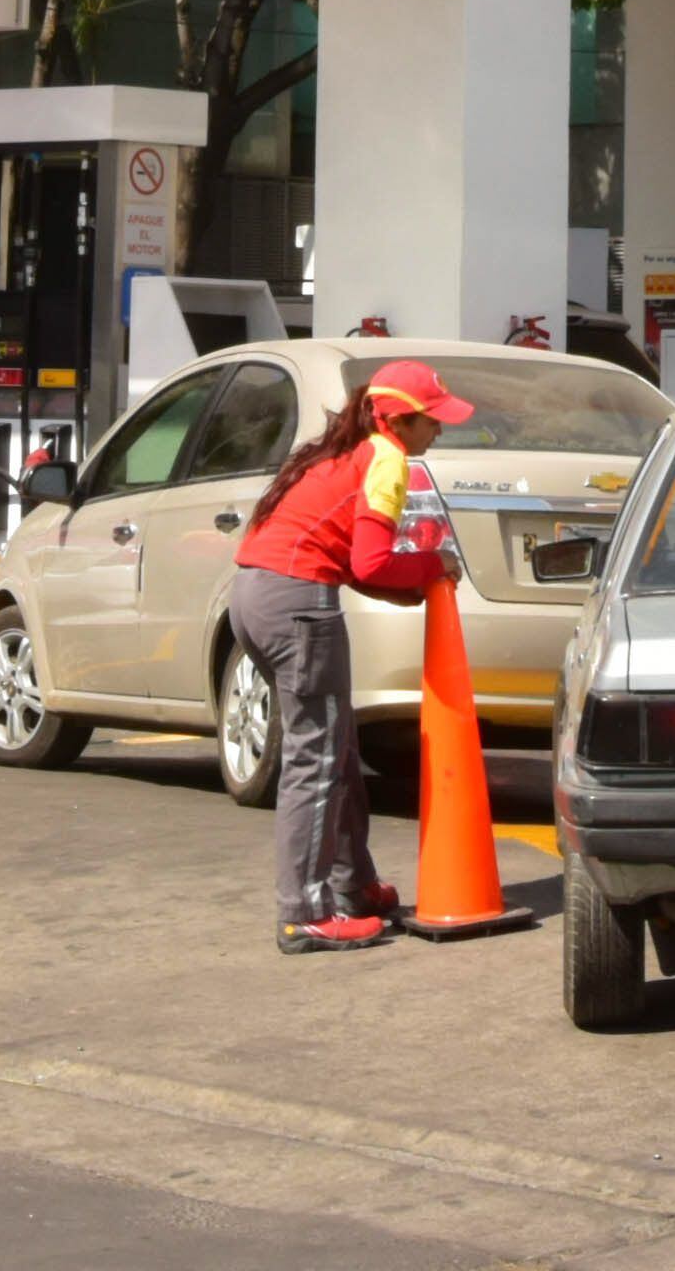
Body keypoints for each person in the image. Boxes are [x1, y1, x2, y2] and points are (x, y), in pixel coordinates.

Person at [225, 356, 468, 953]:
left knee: (336, 749)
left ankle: (354, 887)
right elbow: (371, 562)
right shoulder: (387, 459)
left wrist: (409, 587)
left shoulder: (346, 451)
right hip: (299, 606)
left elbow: (355, 564)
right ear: (398, 421)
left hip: (254, 597)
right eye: (432, 419)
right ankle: (305, 914)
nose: (439, 429)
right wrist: (434, 566)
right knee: (316, 761)